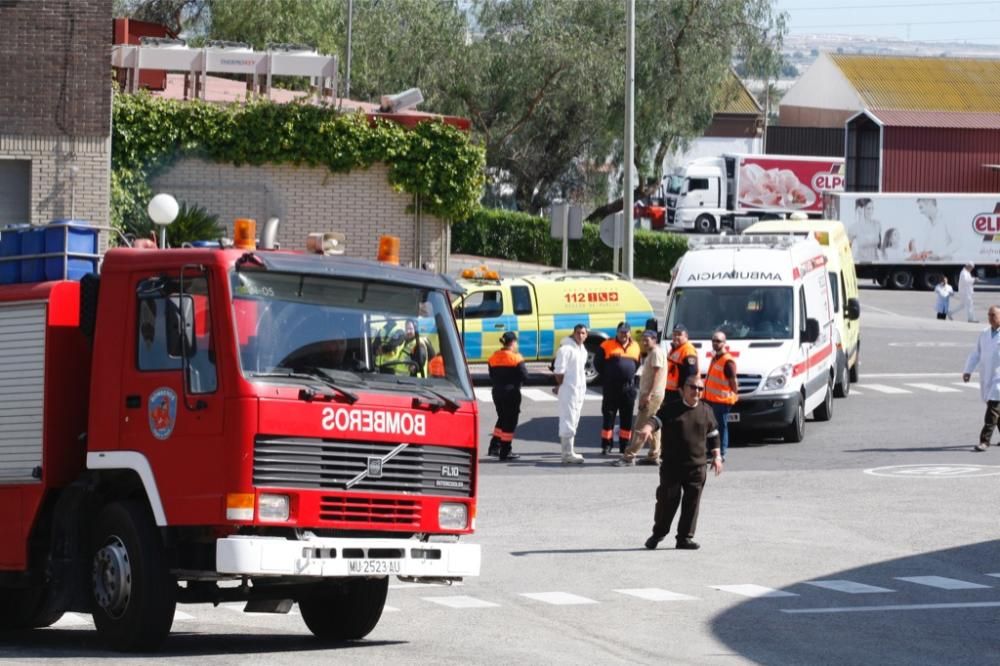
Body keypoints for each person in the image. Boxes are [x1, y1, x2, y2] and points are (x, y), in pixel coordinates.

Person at [636, 378, 723, 550]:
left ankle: (684, 538)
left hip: (697, 466)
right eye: (693, 387)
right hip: (672, 466)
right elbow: (656, 421)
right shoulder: (671, 408)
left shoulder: (706, 411)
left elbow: (714, 434)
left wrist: (717, 456)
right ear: (683, 389)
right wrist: (647, 428)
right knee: (667, 501)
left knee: (692, 503)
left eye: (700, 388)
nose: (696, 391)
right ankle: (658, 534)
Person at [614, 329, 667, 466]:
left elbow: (656, 375)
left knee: (641, 426)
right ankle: (654, 455)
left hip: (652, 395)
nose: (644, 342)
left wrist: (648, 395)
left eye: (647, 339)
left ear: (654, 340)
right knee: (653, 425)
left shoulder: (655, 353)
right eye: (642, 339)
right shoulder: (653, 352)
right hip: (653, 394)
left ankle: (629, 456)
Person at [595, 322, 641, 455]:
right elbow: (598, 364)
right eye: (621, 331)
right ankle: (606, 445)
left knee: (626, 419)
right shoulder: (607, 344)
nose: (624, 334)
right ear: (617, 332)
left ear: (630, 333)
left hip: (628, 388)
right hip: (611, 387)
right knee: (608, 416)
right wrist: (610, 375)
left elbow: (637, 364)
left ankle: (624, 445)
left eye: (626, 332)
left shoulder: (635, 346)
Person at [963, 305, 1000, 452]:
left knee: (993, 409)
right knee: (996, 410)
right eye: (989, 315)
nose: (990, 318)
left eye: (994, 315)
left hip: (999, 379)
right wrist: (968, 371)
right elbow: (976, 354)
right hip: (987, 376)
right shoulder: (984, 333)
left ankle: (984, 440)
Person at [487, 331, 528, 461]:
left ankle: (494, 446)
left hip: (497, 392)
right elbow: (525, 376)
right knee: (510, 422)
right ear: (513, 342)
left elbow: (491, 375)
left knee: (502, 418)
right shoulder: (516, 358)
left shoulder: (493, 357)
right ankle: (505, 451)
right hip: (511, 393)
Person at [553, 324, 588, 464]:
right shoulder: (566, 349)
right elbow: (559, 371)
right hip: (568, 389)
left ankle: (569, 451)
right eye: (578, 333)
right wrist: (560, 385)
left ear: (586, 335)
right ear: (573, 333)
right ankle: (566, 453)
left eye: (583, 333)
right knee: (568, 418)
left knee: (574, 419)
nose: (580, 335)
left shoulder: (582, 350)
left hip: (578, 390)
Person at [703, 330, 738, 460]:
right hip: (711, 399)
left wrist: (734, 394)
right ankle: (710, 450)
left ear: (724, 343)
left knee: (721, 428)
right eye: (713, 340)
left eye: (718, 341)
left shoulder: (727, 361)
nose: (715, 343)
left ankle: (721, 453)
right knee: (710, 427)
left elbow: (733, 381)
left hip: (722, 400)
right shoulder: (715, 357)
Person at [664, 324, 698, 404]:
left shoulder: (688, 350)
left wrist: (683, 391)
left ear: (686, 336)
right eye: (674, 334)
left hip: (679, 392)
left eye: (679, 335)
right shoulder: (675, 348)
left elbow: (691, 374)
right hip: (670, 390)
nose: (676, 337)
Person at [849, 198, 882, 263]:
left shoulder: (877, 224)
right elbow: (847, 248)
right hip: (861, 262)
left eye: (872, 208)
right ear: (859, 209)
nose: (871, 211)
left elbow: (880, 245)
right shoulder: (854, 227)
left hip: (876, 262)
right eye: (868, 208)